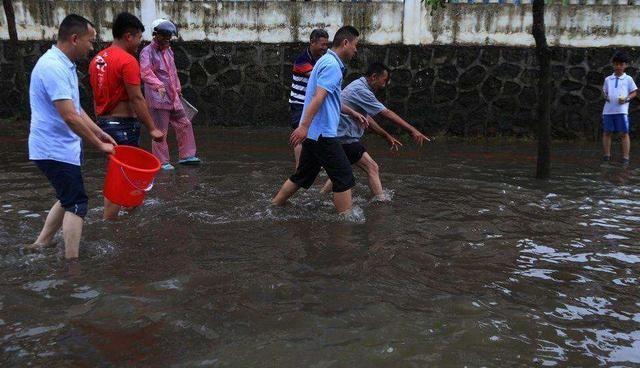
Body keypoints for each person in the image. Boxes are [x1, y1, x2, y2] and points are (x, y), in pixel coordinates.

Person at [27, 14, 116, 259]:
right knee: (78, 204)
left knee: (67, 197)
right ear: (75, 38)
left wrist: (100, 132)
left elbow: (75, 108)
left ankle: (40, 244)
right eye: (90, 41)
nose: (92, 47)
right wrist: (98, 145)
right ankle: (72, 263)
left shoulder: (63, 63)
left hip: (60, 147)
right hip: (52, 149)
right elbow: (69, 116)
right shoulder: (53, 67)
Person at [272, 26, 367, 214]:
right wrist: (303, 127)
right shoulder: (332, 66)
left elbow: (331, 99)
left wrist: (352, 113)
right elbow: (318, 97)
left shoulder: (325, 61)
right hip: (322, 133)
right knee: (343, 176)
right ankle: (346, 221)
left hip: (315, 132)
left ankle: (274, 205)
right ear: (345, 43)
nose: (356, 50)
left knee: (303, 175)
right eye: (355, 45)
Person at [89, 12, 164, 219]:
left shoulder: (97, 60)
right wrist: (152, 129)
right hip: (123, 126)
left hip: (104, 123)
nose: (141, 42)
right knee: (123, 177)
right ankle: (110, 224)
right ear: (128, 36)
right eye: (139, 37)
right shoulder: (128, 61)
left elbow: (96, 97)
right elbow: (137, 98)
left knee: (117, 172)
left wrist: (99, 126)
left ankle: (123, 219)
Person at [320, 62, 430, 200]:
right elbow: (386, 112)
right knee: (372, 167)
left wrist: (386, 135)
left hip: (338, 135)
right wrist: (412, 130)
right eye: (383, 81)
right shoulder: (361, 91)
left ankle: (321, 195)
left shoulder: (359, 85)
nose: (384, 85)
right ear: (373, 77)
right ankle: (381, 202)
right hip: (344, 137)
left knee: (342, 169)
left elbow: (368, 119)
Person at [140, 18, 200, 170]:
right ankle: (161, 161)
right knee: (160, 130)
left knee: (184, 123)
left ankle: (187, 155)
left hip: (173, 96)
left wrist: (178, 88)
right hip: (158, 98)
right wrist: (158, 85)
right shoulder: (147, 52)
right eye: (164, 35)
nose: (167, 39)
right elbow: (146, 72)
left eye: (169, 36)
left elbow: (172, 72)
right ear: (155, 35)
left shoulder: (169, 51)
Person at [289, 29, 330, 167]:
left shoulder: (321, 59)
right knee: (300, 136)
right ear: (312, 42)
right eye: (322, 45)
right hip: (299, 104)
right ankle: (299, 169)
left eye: (327, 45)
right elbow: (317, 78)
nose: (325, 48)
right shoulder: (302, 60)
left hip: (313, 103)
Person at [602, 51, 637, 166]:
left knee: (624, 133)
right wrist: (605, 96)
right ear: (613, 65)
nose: (618, 67)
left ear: (625, 65)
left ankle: (625, 157)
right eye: (616, 64)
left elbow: (634, 92)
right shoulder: (608, 79)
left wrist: (626, 99)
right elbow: (604, 92)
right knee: (607, 132)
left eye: (621, 64)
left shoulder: (628, 79)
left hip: (621, 111)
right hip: (608, 110)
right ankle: (607, 155)